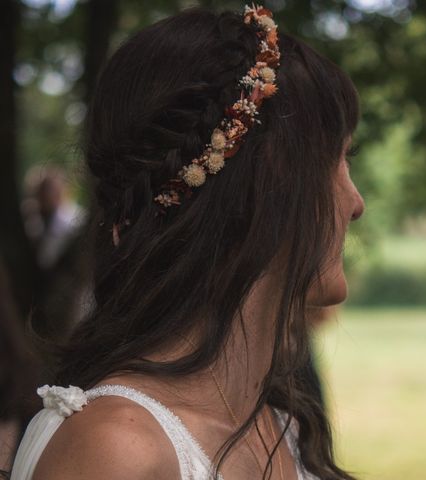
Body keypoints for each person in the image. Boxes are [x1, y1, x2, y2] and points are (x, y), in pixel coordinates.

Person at [10, 4, 364, 480]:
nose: (355, 201)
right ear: (267, 183)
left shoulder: (279, 425)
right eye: (338, 161)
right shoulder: (119, 448)